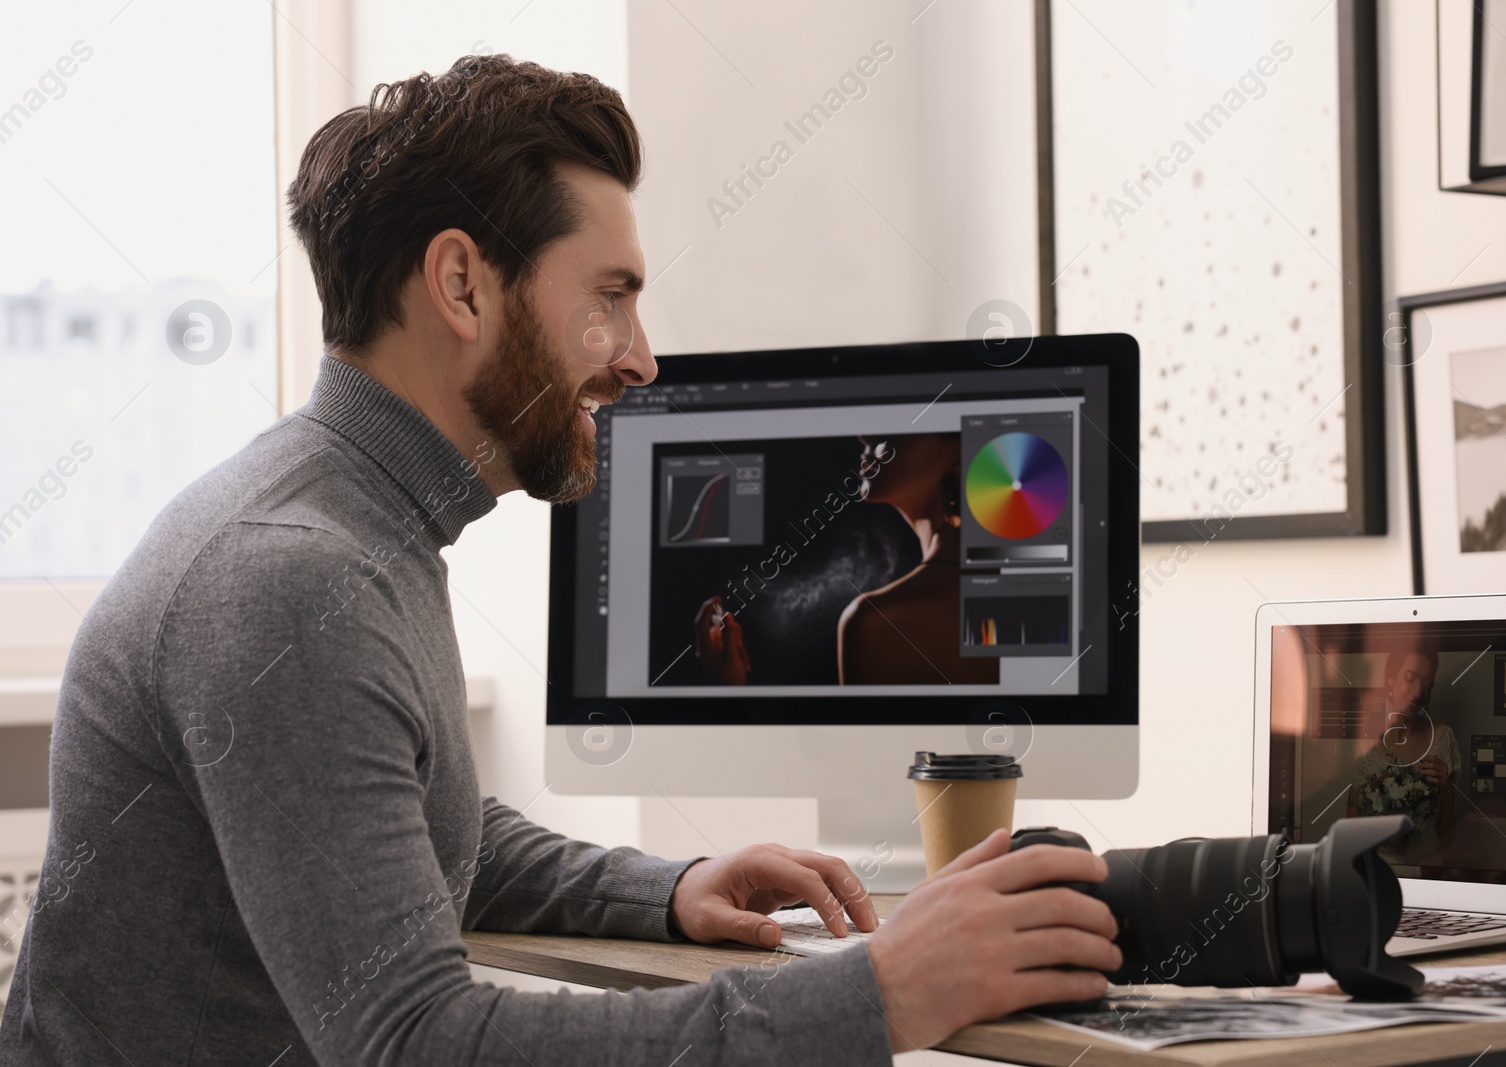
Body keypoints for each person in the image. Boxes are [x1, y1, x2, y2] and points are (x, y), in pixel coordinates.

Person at [0, 55, 1120, 1065]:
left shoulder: (351, 524)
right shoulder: (293, 580)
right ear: (462, 286)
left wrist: (666, 887)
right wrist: (878, 997)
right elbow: (421, 1041)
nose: (640, 358)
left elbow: (418, 832)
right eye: (611, 298)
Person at [693, 433, 997, 685]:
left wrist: (724, 694)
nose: (863, 434)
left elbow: (860, 756)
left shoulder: (878, 621)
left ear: (958, 451)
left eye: (900, 419)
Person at [1344, 646, 1459, 864]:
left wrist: (1445, 789)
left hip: (1427, 871)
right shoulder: (1365, 741)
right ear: (1390, 676)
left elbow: (1448, 840)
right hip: (1378, 868)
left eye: (1427, 685)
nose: (1417, 693)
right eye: (1410, 678)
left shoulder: (1443, 739)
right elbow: (1350, 825)